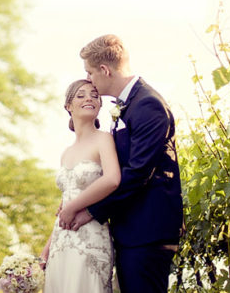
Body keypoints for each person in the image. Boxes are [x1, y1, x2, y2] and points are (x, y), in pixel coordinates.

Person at [59, 34, 183, 293]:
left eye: (90, 73)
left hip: (148, 231)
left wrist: (92, 212)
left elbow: (138, 172)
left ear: (104, 70)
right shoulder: (128, 105)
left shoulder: (148, 104)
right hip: (131, 231)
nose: (89, 79)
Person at [40, 79, 121, 293]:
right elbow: (62, 210)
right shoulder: (66, 153)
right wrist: (46, 250)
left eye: (94, 95)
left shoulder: (104, 139)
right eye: (81, 95)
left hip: (91, 238)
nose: (89, 98)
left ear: (100, 106)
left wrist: (72, 207)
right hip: (61, 242)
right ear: (68, 106)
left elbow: (113, 179)